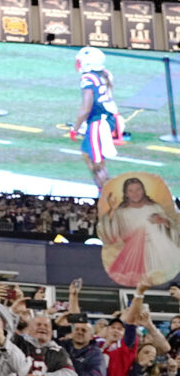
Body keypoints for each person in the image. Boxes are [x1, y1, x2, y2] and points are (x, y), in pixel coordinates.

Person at [97, 177, 180, 287]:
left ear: (143, 191)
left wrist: (163, 221)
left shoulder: (154, 207)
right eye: (131, 191)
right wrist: (112, 210)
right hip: (134, 251)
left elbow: (172, 227)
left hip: (159, 248)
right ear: (126, 193)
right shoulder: (121, 212)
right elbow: (109, 232)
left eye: (138, 189)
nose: (135, 193)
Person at [69, 47, 118, 188]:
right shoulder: (105, 74)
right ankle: (103, 191)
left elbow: (86, 108)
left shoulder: (88, 78)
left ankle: (108, 197)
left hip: (99, 121)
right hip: (105, 117)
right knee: (87, 153)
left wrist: (76, 127)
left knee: (98, 163)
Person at [13, 316, 79, 376]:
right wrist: (13, 313)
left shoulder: (58, 351)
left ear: (51, 332)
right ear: (29, 330)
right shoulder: (18, 343)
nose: (42, 327)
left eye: (46, 325)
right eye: (38, 324)